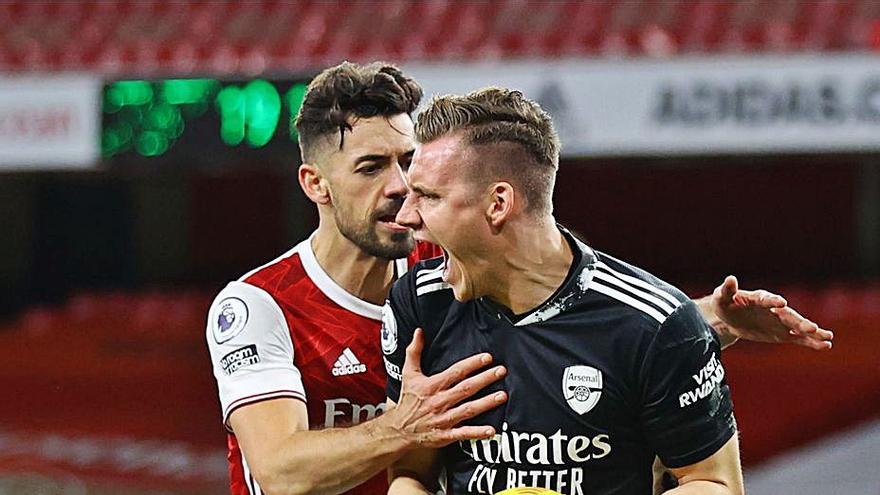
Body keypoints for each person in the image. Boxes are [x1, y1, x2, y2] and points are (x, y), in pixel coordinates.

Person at [205, 62, 831, 495]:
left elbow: (578, 314)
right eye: (371, 167)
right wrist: (403, 428)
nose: (399, 190)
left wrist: (700, 320)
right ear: (315, 184)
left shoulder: (444, 278)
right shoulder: (261, 306)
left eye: (407, 164)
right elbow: (282, 473)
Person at [382, 87, 804, 495]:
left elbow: (714, 484)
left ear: (498, 204)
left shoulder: (656, 325)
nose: (406, 215)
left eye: (428, 196)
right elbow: (409, 475)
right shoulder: (419, 304)